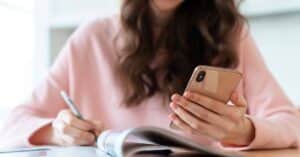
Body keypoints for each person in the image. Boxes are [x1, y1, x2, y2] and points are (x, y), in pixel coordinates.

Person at [1, 0, 300, 150]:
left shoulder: (230, 37)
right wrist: (58, 131)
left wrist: (241, 131)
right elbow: (11, 124)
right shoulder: (91, 39)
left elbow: (291, 122)